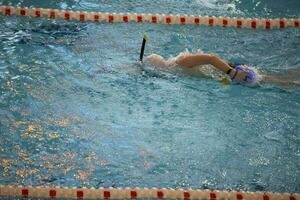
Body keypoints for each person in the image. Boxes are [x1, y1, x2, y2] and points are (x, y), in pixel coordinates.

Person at [143, 52, 300, 87]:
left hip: (231, 71)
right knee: (273, 78)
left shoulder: (181, 61)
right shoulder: (174, 71)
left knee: (272, 81)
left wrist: (234, 73)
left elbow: (211, 58)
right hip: (225, 74)